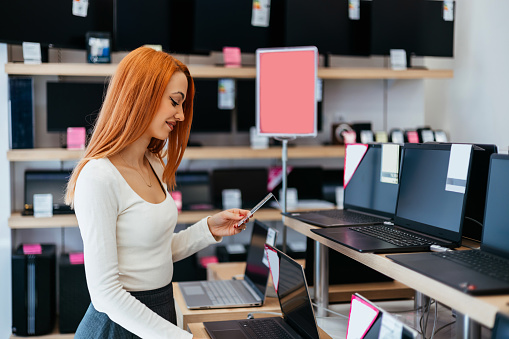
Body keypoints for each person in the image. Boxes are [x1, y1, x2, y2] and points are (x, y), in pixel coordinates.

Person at [65, 46, 251, 338]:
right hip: (120, 326)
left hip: (160, 311)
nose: (179, 114)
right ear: (142, 96)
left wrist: (208, 229)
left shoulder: (153, 162)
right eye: (175, 102)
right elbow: (105, 293)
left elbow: (154, 251)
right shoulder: (98, 177)